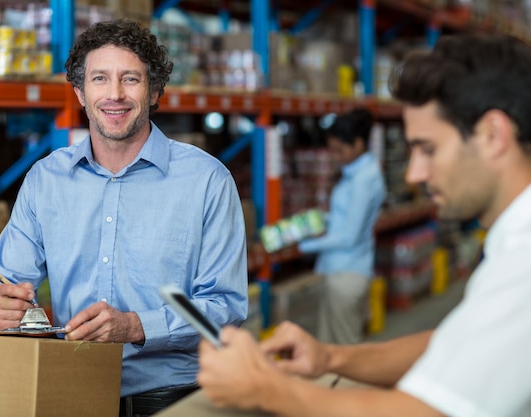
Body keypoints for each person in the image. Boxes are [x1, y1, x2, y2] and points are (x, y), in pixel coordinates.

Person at [197, 33, 531, 417]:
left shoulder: (523, 262)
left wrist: (267, 389)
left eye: (428, 149)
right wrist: (331, 358)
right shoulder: (511, 246)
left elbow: (426, 412)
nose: (414, 173)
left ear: (493, 135)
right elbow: (454, 344)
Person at [0, 19, 249, 416]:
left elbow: (225, 310)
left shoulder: (207, 181)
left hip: (175, 398)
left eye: (130, 79)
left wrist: (136, 326)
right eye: (100, 79)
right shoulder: (45, 179)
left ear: (154, 91)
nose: (114, 94)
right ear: (80, 93)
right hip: (72, 391)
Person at [297, 107, 386, 345]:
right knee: (329, 348)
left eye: (340, 150)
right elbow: (342, 219)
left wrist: (303, 246)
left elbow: (349, 236)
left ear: (358, 144)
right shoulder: (356, 173)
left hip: (348, 273)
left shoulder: (365, 179)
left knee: (347, 352)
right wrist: (313, 223)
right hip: (337, 269)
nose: (336, 156)